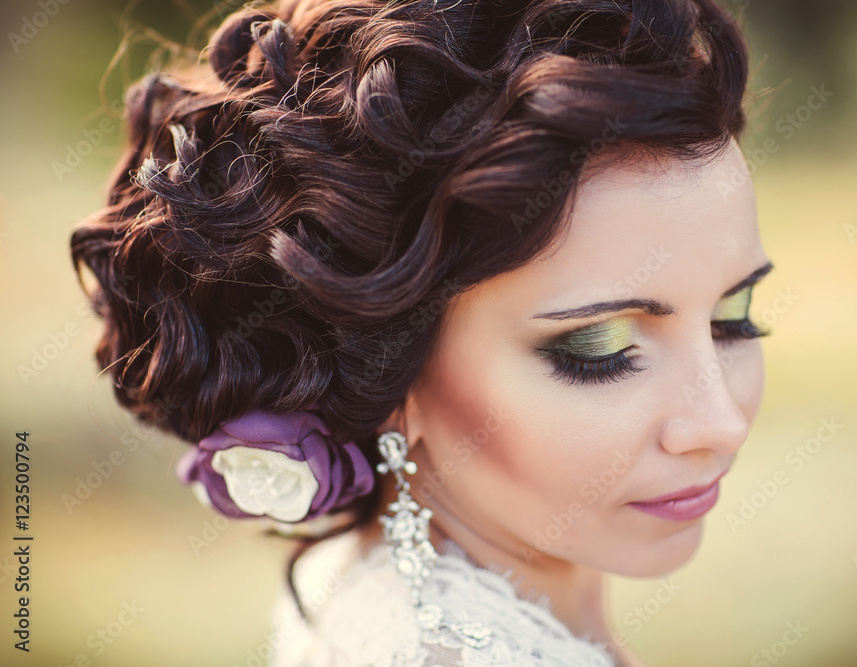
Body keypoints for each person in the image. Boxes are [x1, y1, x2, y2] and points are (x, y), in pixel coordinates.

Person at [69, 0, 772, 665]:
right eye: (601, 349)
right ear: (387, 363)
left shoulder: (379, 589)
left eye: (731, 318)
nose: (720, 423)